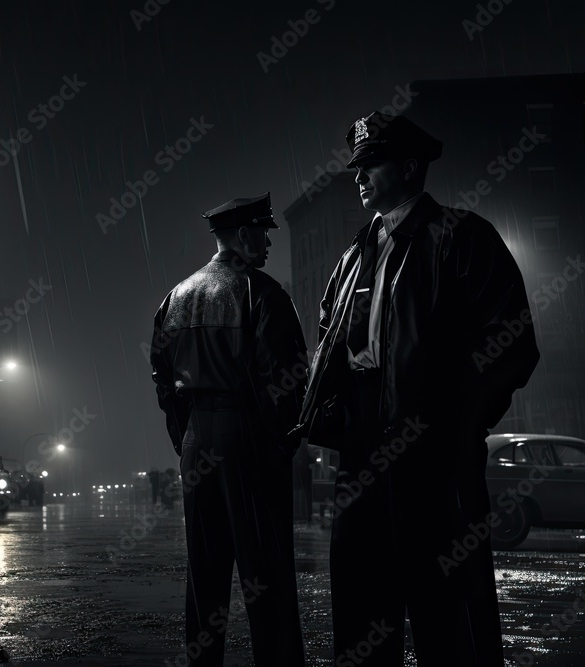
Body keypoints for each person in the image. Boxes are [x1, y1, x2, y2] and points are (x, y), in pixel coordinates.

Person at [294, 112, 540, 665]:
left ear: (408, 167)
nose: (357, 176)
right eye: (356, 166)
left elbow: (513, 342)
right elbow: (330, 347)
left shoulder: (462, 236)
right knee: (361, 608)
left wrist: (455, 422)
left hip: (435, 457)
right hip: (361, 458)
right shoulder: (352, 257)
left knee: (448, 614)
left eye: (370, 164)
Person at [151, 193, 307, 666]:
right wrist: (280, 443)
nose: (268, 243)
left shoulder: (177, 295)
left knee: (205, 573)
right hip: (248, 437)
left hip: (198, 438)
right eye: (263, 233)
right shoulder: (263, 293)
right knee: (268, 574)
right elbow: (287, 381)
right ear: (242, 236)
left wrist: (188, 438)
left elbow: (163, 379)